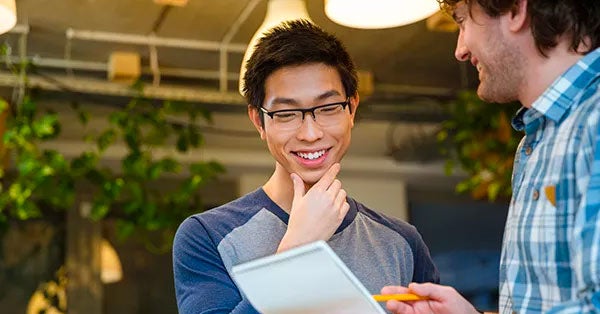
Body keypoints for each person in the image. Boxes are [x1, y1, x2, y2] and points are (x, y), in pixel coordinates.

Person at [172, 20, 439, 314]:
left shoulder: (402, 242)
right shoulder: (207, 236)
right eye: (286, 113)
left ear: (352, 108)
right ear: (258, 121)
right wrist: (296, 252)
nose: (310, 133)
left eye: (327, 108)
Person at [382, 0, 600, 313]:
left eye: (462, 21)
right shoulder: (538, 141)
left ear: (515, 11)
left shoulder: (594, 119)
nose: (459, 50)